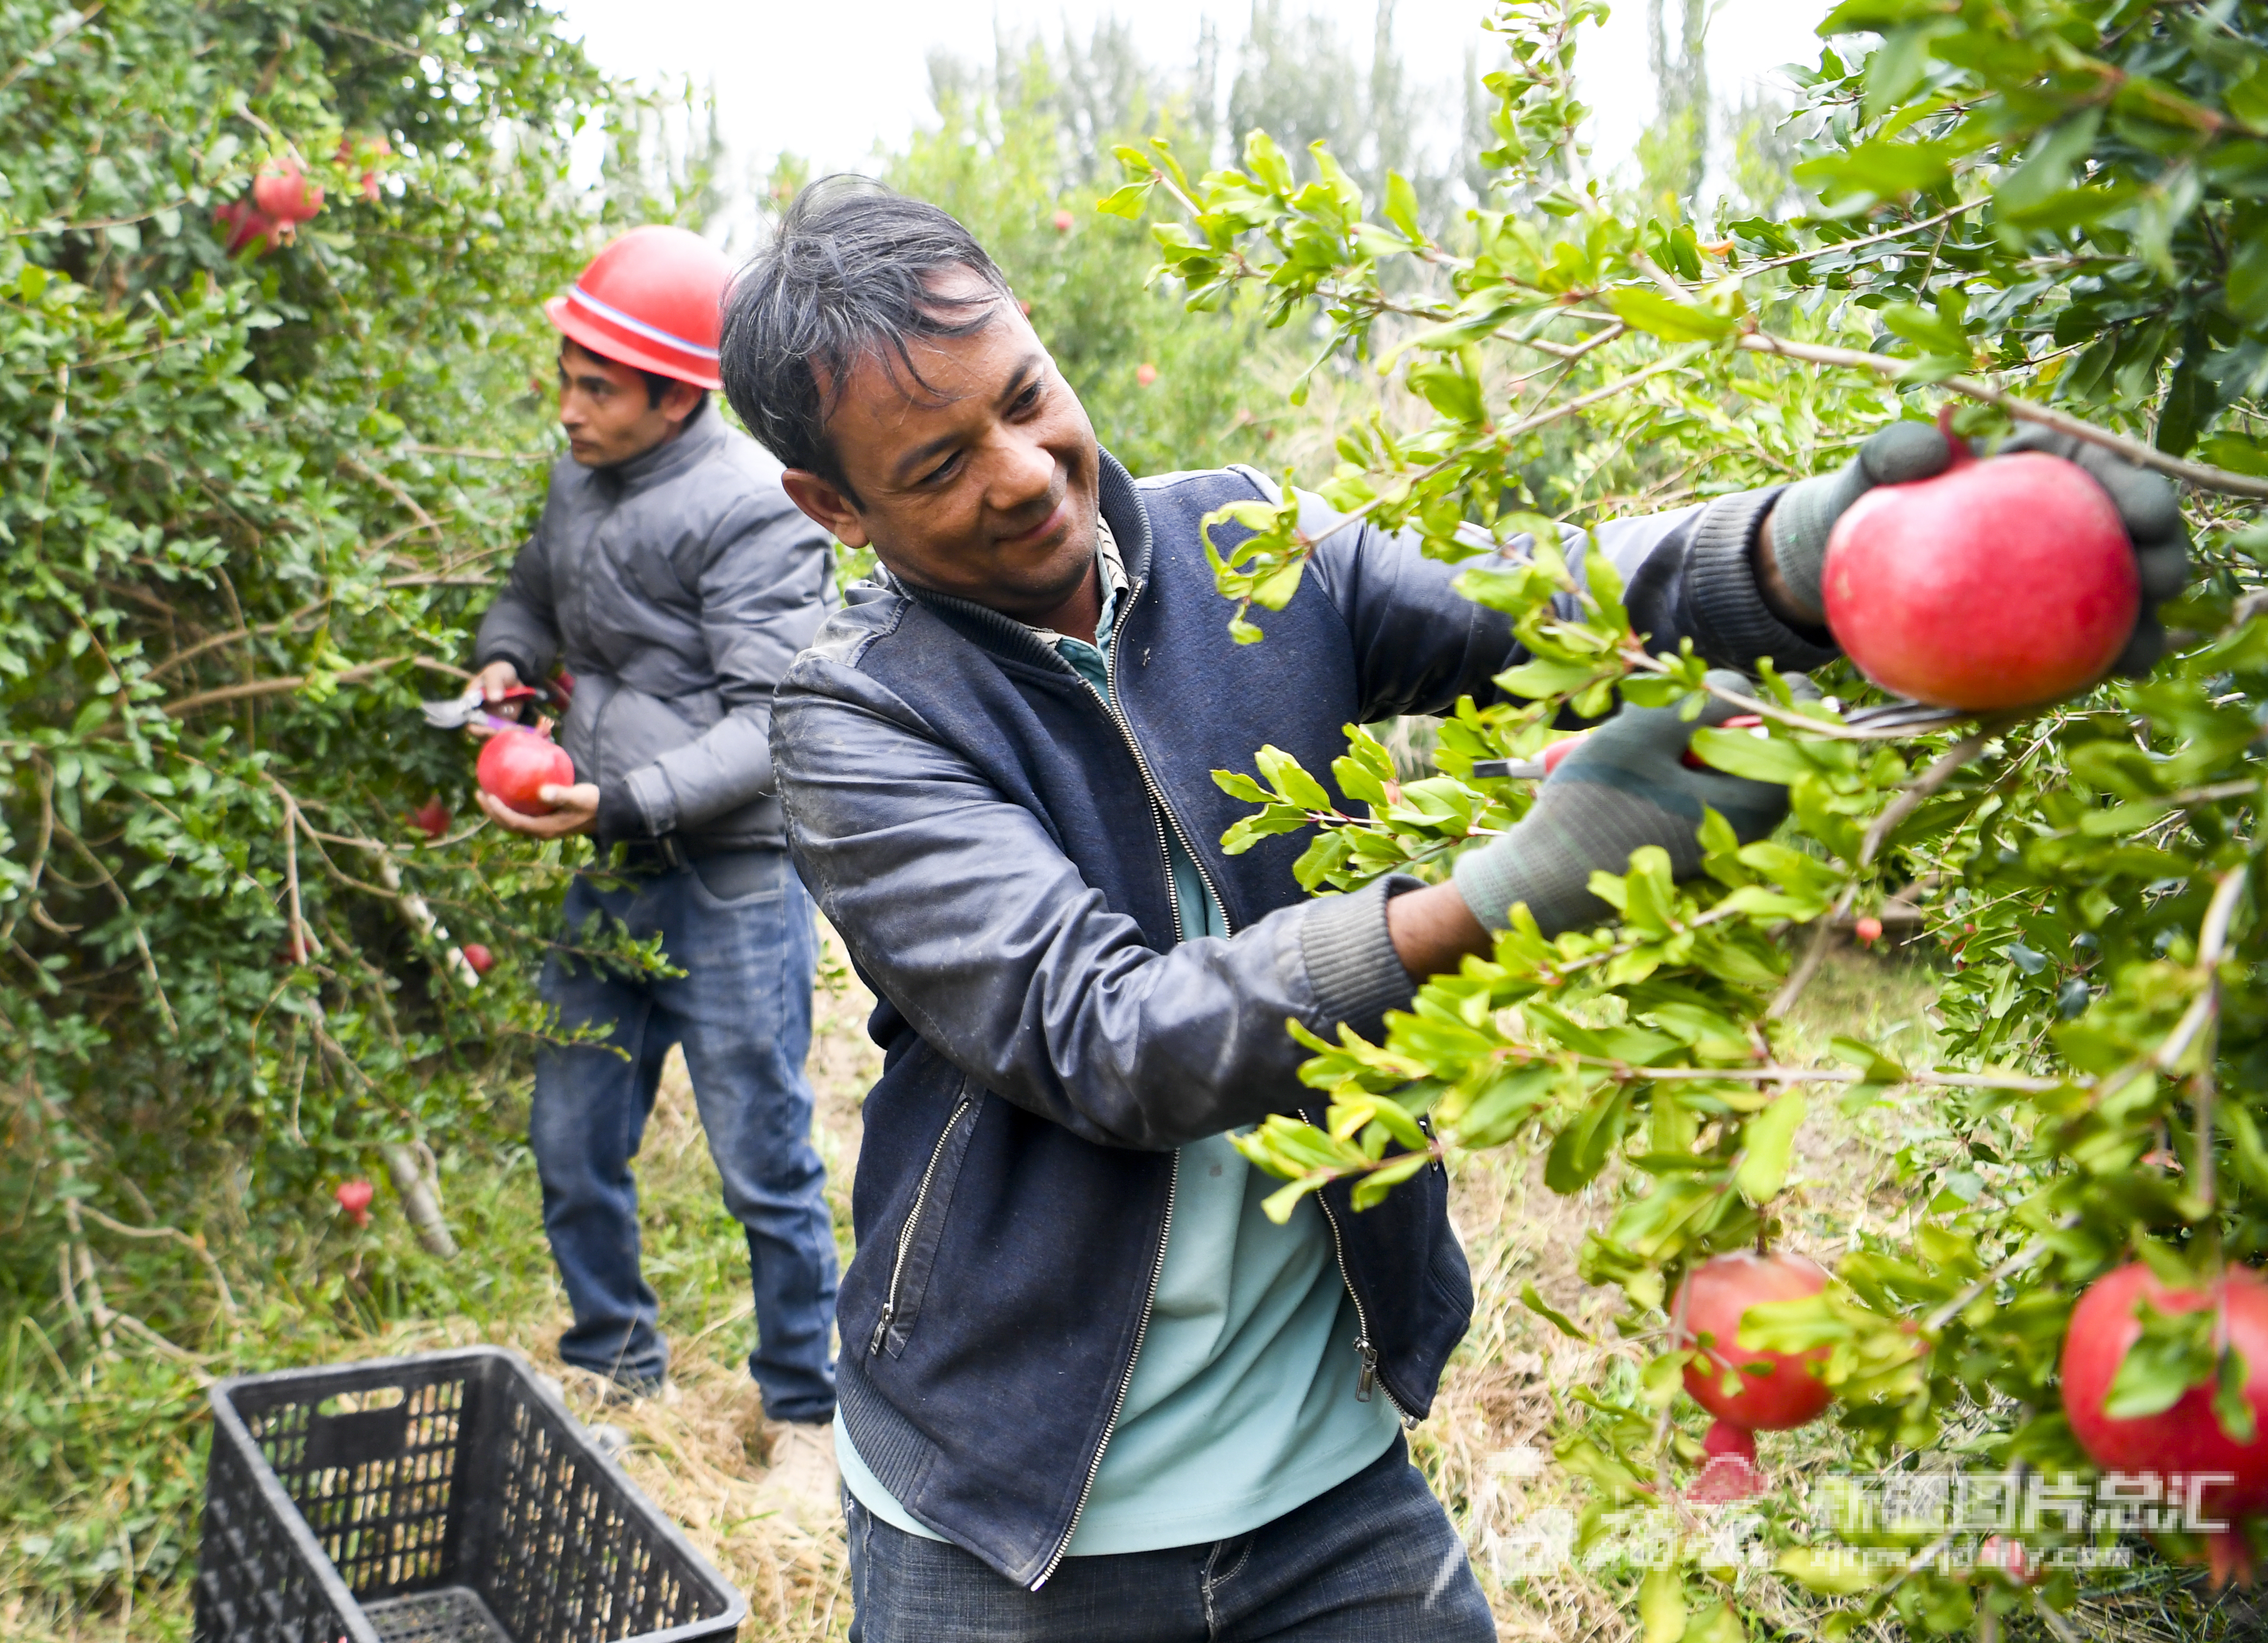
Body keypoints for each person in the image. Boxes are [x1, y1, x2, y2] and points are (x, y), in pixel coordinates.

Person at [716, 181, 2187, 1640]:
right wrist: (1481, 902)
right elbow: (1106, 1038)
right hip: (1008, 1507)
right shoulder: (855, 718)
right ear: (830, 505)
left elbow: (1543, 607)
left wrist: (1807, 556)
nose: (1024, 471)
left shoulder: (1241, 542)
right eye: (936, 466)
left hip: (1323, 1480)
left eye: (1027, 398)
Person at [468, 224, 843, 1504]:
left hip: (730, 877)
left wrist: (619, 799)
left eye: (597, 386)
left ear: (679, 395)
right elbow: (532, 595)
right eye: (565, 375)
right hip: (616, 862)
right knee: (570, 1131)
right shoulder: (580, 474)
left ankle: (806, 1404)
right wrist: (503, 666)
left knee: (763, 1153)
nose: (568, 408)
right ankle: (615, 1366)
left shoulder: (758, 510)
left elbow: (772, 724)